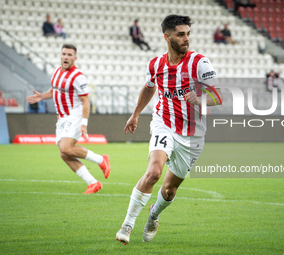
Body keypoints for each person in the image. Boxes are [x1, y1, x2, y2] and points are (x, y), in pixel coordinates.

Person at [115, 14, 223, 245]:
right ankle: (127, 224)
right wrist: (135, 114)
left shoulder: (199, 63)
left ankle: (153, 215)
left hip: (192, 136)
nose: (186, 39)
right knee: (154, 172)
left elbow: (217, 96)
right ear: (167, 36)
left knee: (168, 191)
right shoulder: (155, 64)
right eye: (181, 34)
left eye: (188, 34)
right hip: (163, 124)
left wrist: (201, 98)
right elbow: (148, 88)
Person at [26, 44, 111, 194]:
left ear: (75, 58)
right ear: (60, 56)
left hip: (75, 114)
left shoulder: (78, 77)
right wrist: (42, 96)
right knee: (64, 153)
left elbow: (86, 100)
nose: (66, 57)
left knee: (65, 147)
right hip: (62, 117)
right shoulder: (56, 72)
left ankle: (101, 159)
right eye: (64, 54)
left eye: (69, 55)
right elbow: (55, 89)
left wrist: (84, 123)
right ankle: (93, 183)